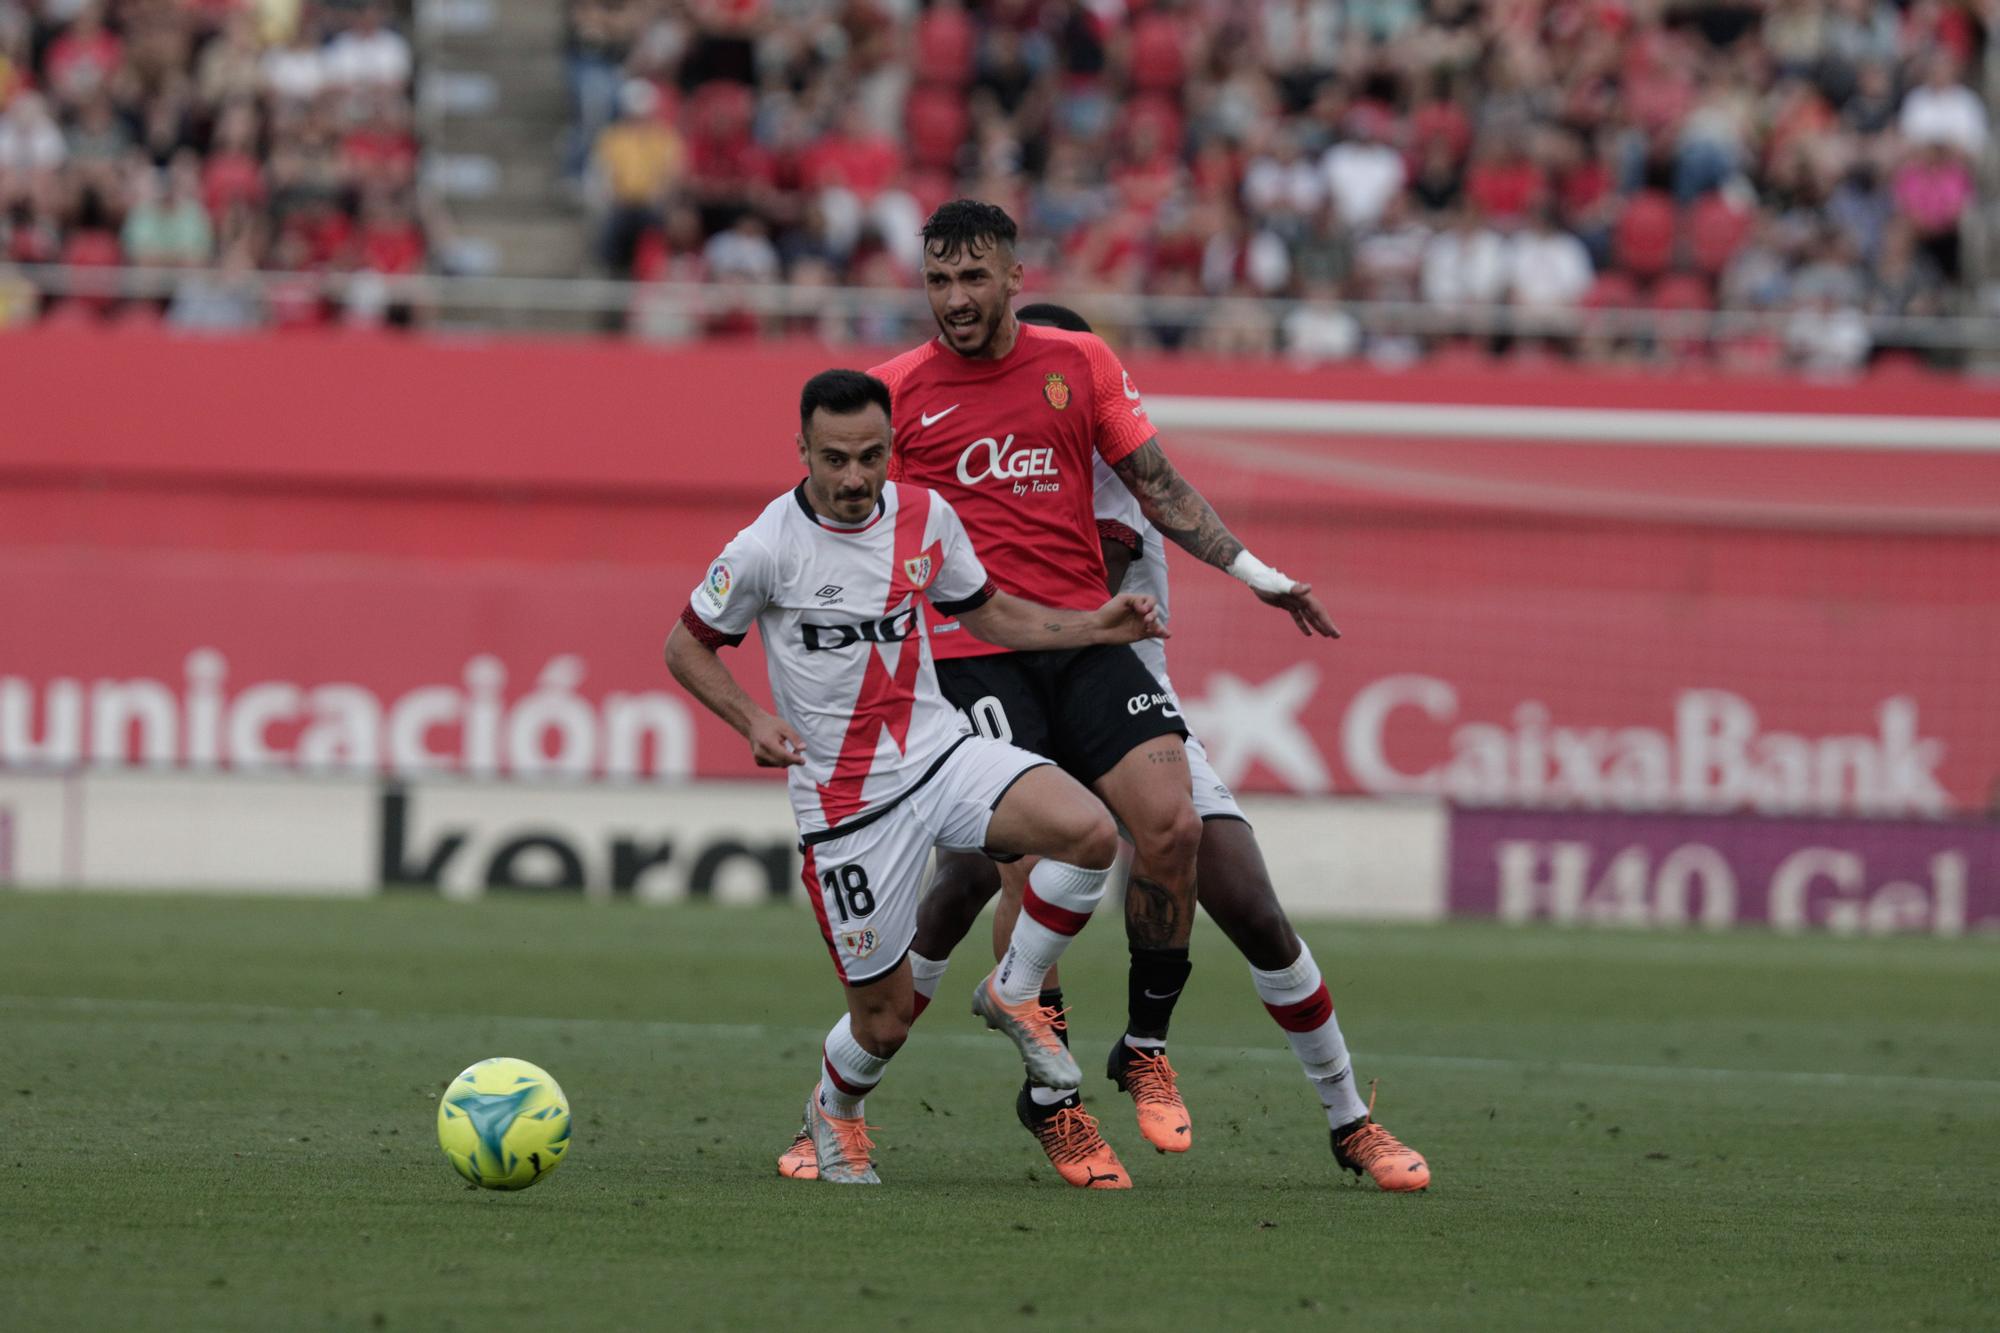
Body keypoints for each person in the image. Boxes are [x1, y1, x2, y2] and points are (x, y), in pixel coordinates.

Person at [865, 199, 1339, 1183]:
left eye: (972, 277)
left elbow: (1159, 488)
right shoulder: (896, 394)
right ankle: (1044, 1098)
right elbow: (852, 532)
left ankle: (1143, 1047)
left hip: (1088, 647)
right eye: (937, 280)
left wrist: (1256, 574)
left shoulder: (1075, 372)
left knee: (1175, 836)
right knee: (1001, 871)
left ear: (1012, 276)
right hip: (975, 655)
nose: (954, 298)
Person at [933, 303, 1430, 1192]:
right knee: (974, 880)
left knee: (1247, 900)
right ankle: (1019, 1097)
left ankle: (1341, 1114)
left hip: (1125, 706)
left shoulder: (1118, 474)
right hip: (1022, 704)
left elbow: (1146, 540)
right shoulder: (979, 479)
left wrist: (1260, 576)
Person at [665, 369, 1167, 1188]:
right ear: (802, 450)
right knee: (886, 1020)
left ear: (892, 448)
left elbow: (987, 612)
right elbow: (685, 646)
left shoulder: (928, 515)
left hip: (939, 754)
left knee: (1088, 833)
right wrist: (751, 718)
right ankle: (836, 1108)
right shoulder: (765, 547)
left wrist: (1093, 625)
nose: (855, 477)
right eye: (835, 459)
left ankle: (1014, 989)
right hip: (846, 806)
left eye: (871, 456)